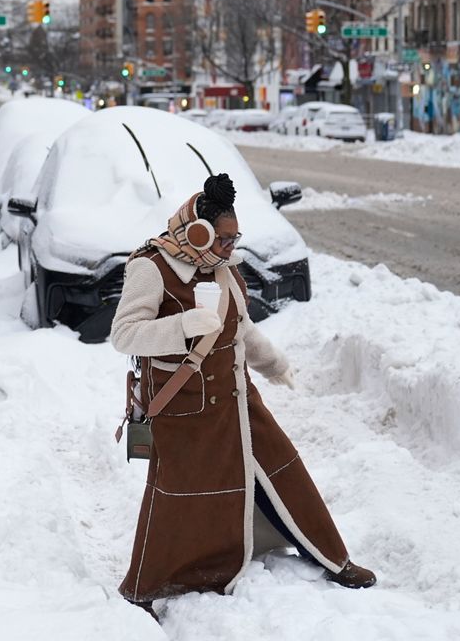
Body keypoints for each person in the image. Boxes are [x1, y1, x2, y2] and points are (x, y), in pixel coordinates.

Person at [110, 173, 376, 619]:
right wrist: (181, 327)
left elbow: (241, 329)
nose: (232, 247)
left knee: (283, 470)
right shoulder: (151, 268)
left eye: (236, 238)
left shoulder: (224, 269)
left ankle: (329, 557)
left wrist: (275, 364)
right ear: (198, 232)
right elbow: (124, 334)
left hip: (237, 398)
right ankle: (145, 588)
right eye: (224, 238)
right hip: (183, 407)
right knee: (178, 497)